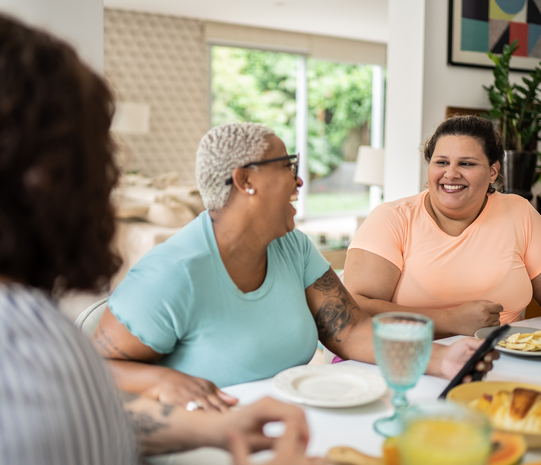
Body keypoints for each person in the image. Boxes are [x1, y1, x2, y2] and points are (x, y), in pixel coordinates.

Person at [0, 13, 323, 465]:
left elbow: (95, 421)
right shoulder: (26, 355)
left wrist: (216, 427)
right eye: (96, 156)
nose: (111, 180)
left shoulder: (43, 334)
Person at [93, 122, 497, 411]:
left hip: (293, 422)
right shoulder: (174, 271)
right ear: (246, 180)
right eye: (288, 166)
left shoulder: (293, 247)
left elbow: (350, 330)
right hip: (210, 437)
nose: (299, 181)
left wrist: (441, 359)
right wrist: (161, 379)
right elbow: (93, 370)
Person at [344, 115, 541, 339]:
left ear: (493, 171)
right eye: (441, 162)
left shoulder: (519, 212)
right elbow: (354, 307)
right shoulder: (392, 219)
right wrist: (449, 320)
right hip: (413, 358)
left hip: (506, 356)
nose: (451, 173)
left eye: (466, 163)